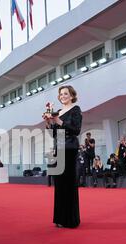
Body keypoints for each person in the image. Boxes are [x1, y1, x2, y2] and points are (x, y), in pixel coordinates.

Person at [43, 86, 82, 229]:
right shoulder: (58, 112)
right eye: (61, 94)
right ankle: (60, 218)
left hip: (70, 148)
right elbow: (54, 134)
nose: (63, 96)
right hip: (58, 148)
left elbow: (76, 130)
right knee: (59, 184)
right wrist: (48, 123)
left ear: (72, 96)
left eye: (66, 93)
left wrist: (58, 121)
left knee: (69, 184)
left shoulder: (75, 110)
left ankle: (71, 220)